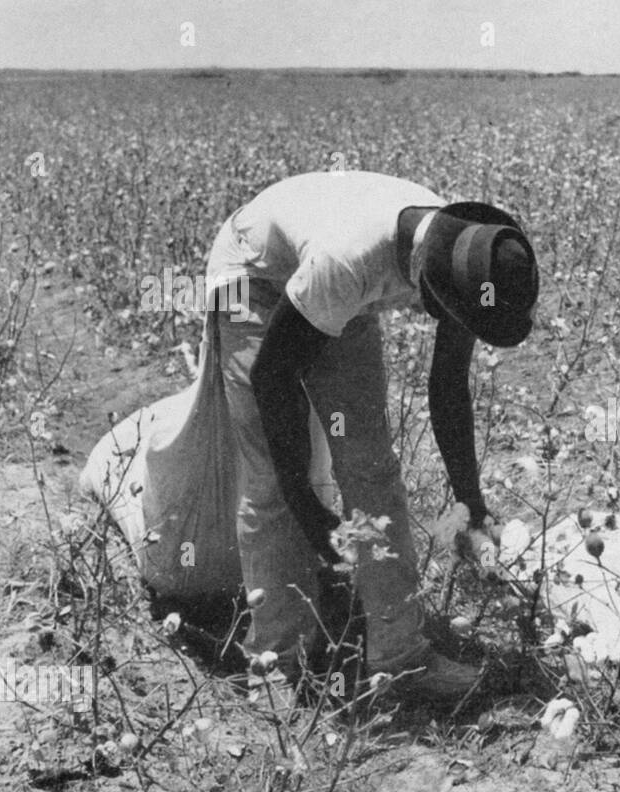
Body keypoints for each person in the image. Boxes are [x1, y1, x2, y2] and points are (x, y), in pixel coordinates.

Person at [202, 170, 539, 697]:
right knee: (269, 482)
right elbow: (274, 376)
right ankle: (276, 662)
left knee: (371, 465)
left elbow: (448, 385)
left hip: (334, 289)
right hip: (256, 279)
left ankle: (400, 658)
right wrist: (308, 506)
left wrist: (470, 500)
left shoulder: (466, 260)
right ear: (430, 288)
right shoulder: (348, 261)